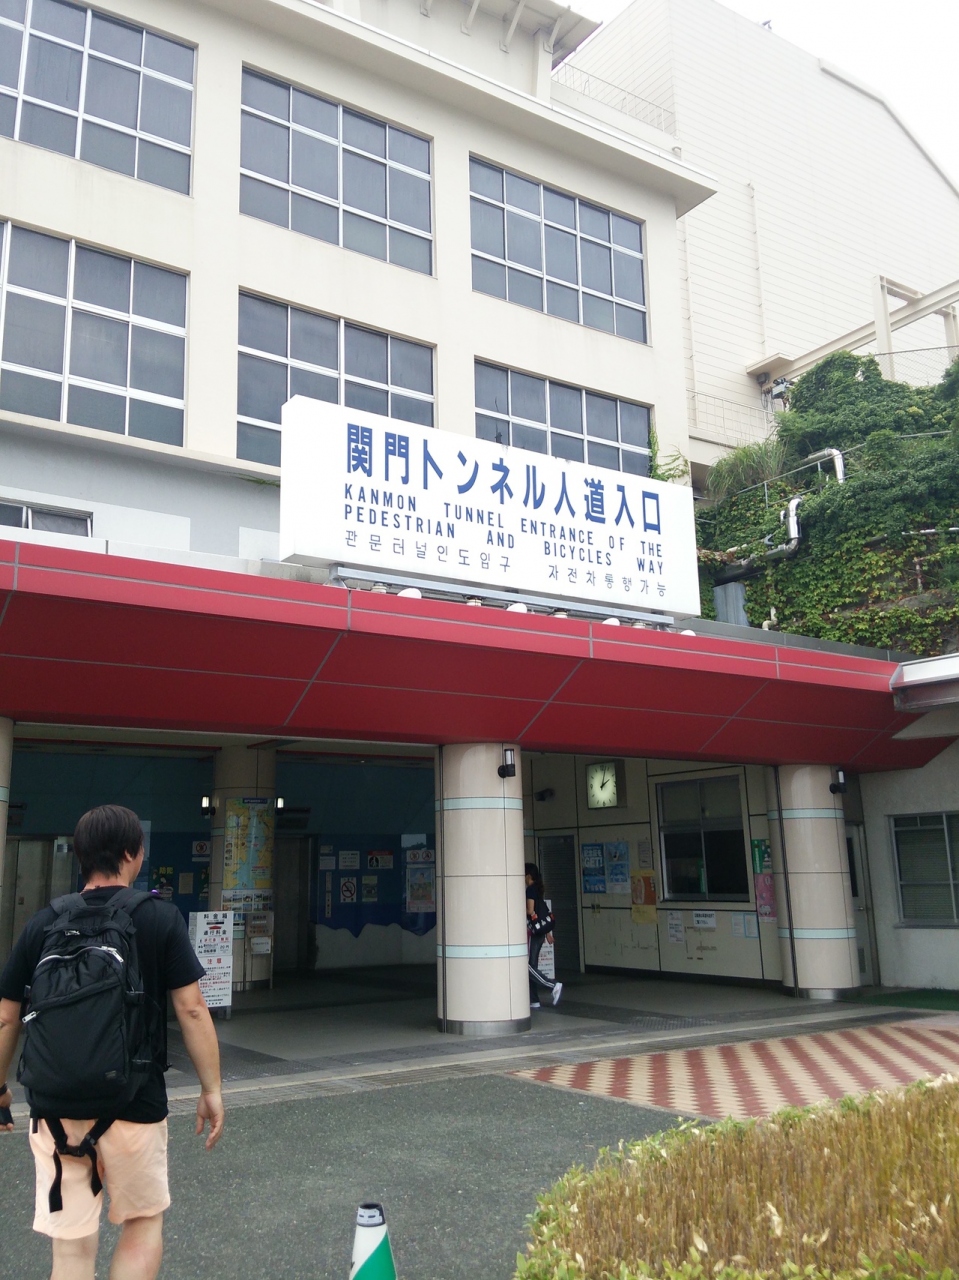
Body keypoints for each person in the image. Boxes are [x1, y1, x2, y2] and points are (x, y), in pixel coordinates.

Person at [0, 804, 225, 1280]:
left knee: (71, 1250)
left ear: (81, 855)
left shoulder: (44, 923)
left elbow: (5, 1016)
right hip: (135, 1100)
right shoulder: (159, 918)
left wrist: (0, 1089)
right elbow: (191, 1008)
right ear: (130, 854)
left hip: (56, 1106)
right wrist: (211, 1089)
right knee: (142, 1225)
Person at [526, 862, 562, 1009]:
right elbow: (541, 912)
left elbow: (530, 911)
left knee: (528, 967)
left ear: (528, 875)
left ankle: (553, 985)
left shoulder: (530, 890)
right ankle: (534, 1000)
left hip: (534, 933)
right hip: (540, 932)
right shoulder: (537, 889)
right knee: (532, 966)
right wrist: (547, 932)